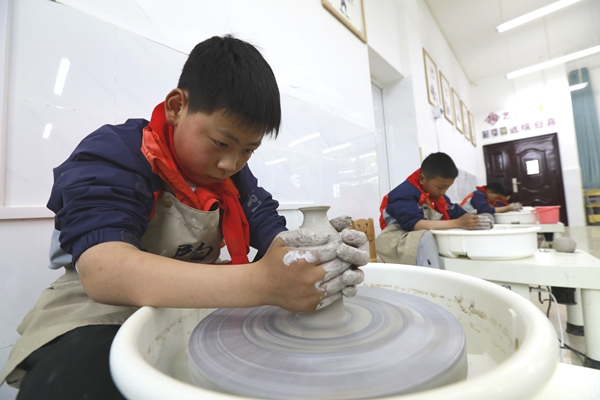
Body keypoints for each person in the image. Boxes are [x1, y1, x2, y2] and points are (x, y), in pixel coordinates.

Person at [0, 35, 368, 399]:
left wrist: (315, 251)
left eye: (248, 150)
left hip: (197, 300)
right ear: (177, 107)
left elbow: (272, 233)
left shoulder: (235, 178)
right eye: (221, 143)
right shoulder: (116, 152)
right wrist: (263, 282)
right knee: (74, 381)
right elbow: (104, 271)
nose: (230, 163)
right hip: (99, 309)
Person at [375, 152, 480, 268]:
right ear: (422, 179)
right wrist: (457, 223)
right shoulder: (403, 194)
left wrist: (474, 220)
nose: (444, 192)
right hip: (396, 240)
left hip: (417, 236)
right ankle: (432, 278)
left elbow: (456, 213)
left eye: (447, 187)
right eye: (440, 187)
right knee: (425, 236)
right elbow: (416, 224)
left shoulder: (438, 197)